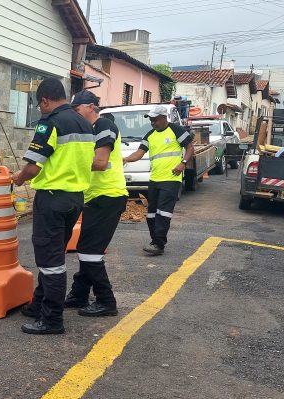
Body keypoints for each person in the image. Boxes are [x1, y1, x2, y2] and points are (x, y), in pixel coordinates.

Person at [11, 78, 95, 335]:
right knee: (54, 254)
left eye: (40, 106)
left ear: (45, 101)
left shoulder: (50, 123)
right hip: (75, 199)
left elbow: (34, 165)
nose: (41, 110)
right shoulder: (85, 123)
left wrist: (19, 177)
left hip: (52, 198)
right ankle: (39, 304)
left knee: (51, 261)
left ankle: (51, 319)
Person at [63, 90, 128, 317]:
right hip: (95, 197)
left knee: (90, 250)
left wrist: (66, 166)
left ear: (90, 107)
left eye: (77, 110)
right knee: (87, 248)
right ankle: (79, 294)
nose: (75, 114)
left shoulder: (104, 126)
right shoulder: (88, 130)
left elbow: (100, 163)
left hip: (108, 196)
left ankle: (106, 301)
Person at [123, 105, 193, 255]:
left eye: (155, 120)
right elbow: (139, 153)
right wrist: (125, 159)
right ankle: (155, 241)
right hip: (155, 179)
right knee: (151, 214)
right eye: (151, 120)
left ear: (164, 118)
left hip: (171, 179)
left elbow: (189, 147)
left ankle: (158, 244)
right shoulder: (150, 135)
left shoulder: (175, 130)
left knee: (164, 213)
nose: (153, 123)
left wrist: (183, 163)